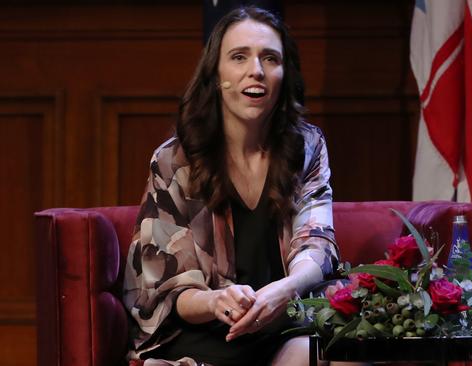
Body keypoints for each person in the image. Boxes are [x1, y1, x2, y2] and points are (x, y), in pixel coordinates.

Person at [123, 6, 341, 366]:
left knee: (325, 350)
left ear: (284, 75)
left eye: (270, 58)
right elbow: (167, 286)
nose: (255, 71)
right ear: (216, 73)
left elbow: (316, 242)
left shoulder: (307, 146)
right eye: (239, 57)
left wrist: (282, 293)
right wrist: (215, 301)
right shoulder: (174, 160)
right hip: (206, 332)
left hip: (285, 320)